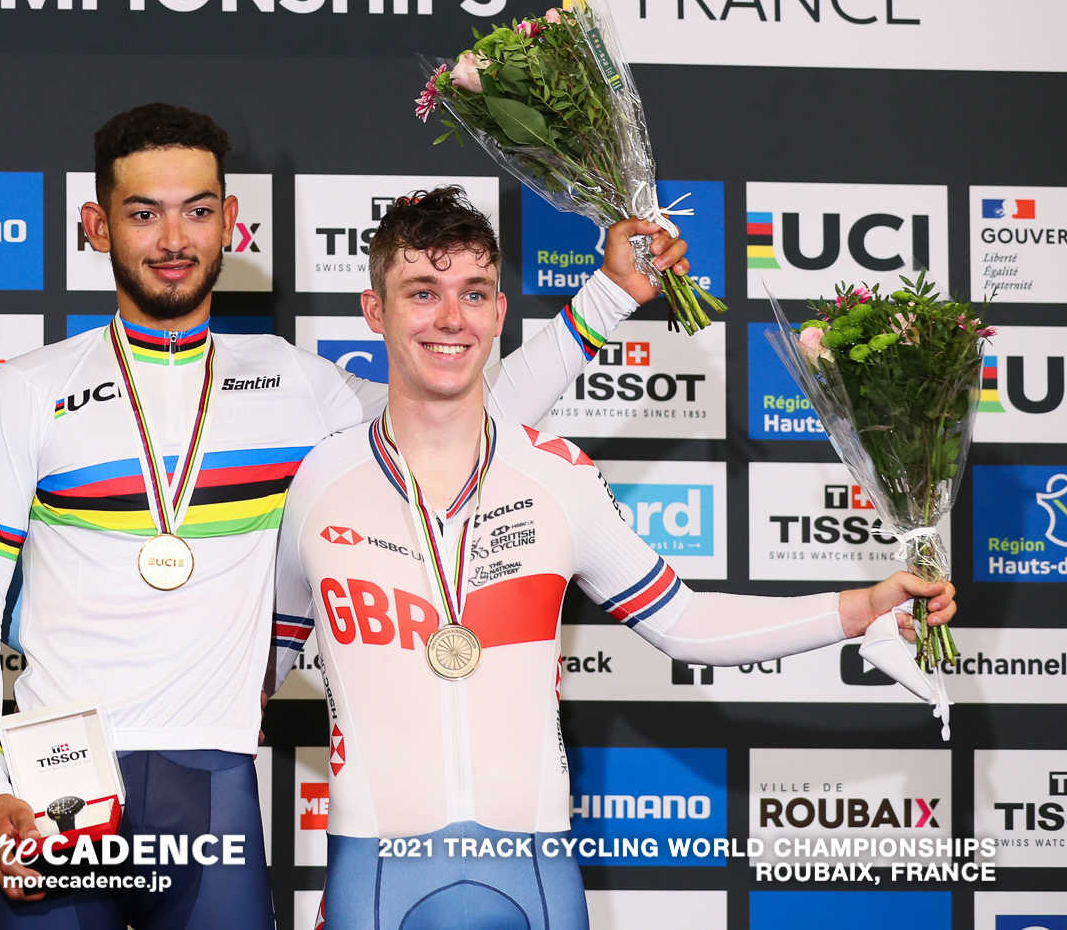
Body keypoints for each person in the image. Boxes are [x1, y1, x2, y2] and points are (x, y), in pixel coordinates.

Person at [0, 104, 693, 930]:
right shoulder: (28, 389)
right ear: (95, 224)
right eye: (143, 212)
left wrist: (612, 295)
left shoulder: (299, 386)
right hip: (57, 783)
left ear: (230, 220)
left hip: (215, 777)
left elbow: (471, 408)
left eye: (196, 209)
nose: (173, 237)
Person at [269, 189, 958, 930]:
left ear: (499, 315)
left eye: (472, 294)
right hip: (372, 876)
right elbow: (255, 675)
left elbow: (686, 622)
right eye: (421, 293)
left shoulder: (558, 475)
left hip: (535, 876)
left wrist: (860, 609)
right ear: (375, 311)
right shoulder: (320, 483)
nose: (449, 319)